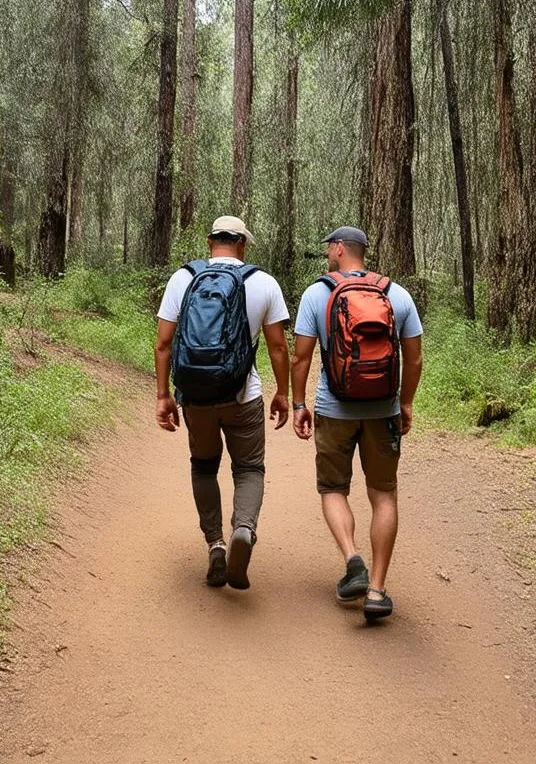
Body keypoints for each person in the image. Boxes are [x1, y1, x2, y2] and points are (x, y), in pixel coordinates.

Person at [291, 226, 423, 621]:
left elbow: (301, 358)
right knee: (384, 495)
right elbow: (414, 360)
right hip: (383, 411)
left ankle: (353, 560)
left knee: (333, 488)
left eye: (329, 248)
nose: (328, 255)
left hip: (334, 409)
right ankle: (378, 591)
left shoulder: (317, 294)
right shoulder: (396, 294)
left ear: (338, 249)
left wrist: (299, 404)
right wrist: (406, 403)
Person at [155, 215, 290, 591]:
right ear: (242, 245)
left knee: (203, 466)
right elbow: (279, 347)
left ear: (209, 243)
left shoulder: (183, 279)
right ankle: (243, 529)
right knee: (249, 469)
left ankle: (215, 544)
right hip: (242, 395)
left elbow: (163, 343)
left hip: (196, 397)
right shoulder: (262, 283)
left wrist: (164, 395)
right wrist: (283, 393)